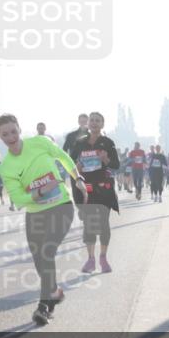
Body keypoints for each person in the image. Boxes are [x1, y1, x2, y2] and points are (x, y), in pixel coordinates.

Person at [0, 114, 88, 326]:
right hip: (35, 212)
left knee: (47, 251)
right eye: (5, 134)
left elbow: (64, 158)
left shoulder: (40, 142)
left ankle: (44, 307)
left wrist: (78, 179)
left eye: (13, 131)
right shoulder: (6, 166)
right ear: (0, 137)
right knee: (39, 259)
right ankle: (54, 291)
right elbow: (18, 198)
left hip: (61, 207)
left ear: (19, 129)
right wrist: (39, 192)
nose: (10, 136)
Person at [69, 112, 121, 273]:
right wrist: (76, 170)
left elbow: (116, 165)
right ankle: (90, 259)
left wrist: (106, 160)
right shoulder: (79, 143)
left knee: (104, 224)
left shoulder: (107, 142)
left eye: (98, 121)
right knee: (89, 225)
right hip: (87, 190)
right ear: (88, 124)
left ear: (102, 124)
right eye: (92, 120)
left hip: (104, 189)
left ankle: (103, 258)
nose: (94, 123)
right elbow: (71, 165)